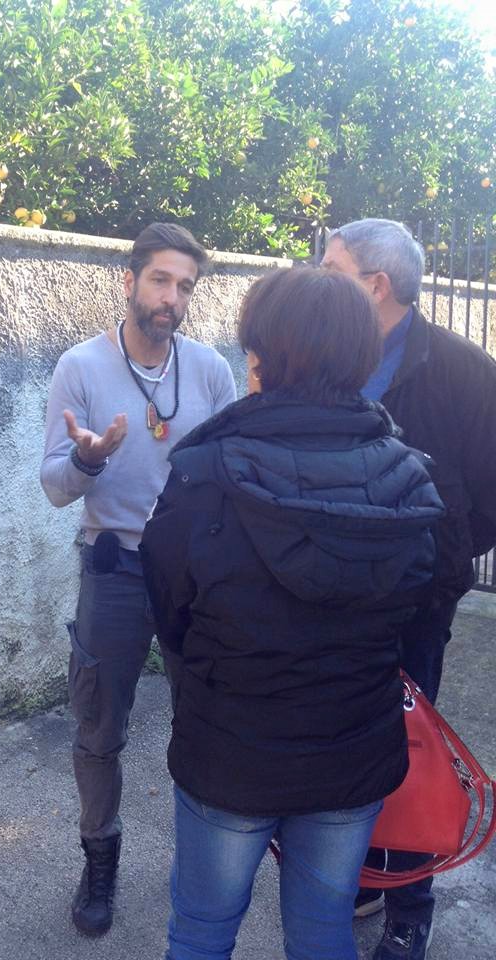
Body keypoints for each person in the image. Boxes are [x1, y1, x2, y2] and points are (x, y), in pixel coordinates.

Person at [140, 267, 444, 960]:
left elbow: (169, 611)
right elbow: (420, 611)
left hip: (232, 750)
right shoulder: (406, 478)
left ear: (259, 354)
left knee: (201, 933)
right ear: (363, 357)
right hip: (351, 750)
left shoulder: (207, 473)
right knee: (323, 929)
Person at [40, 223, 236, 936]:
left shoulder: (209, 371)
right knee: (98, 727)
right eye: (160, 280)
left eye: (185, 286)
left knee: (204, 724)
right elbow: (54, 487)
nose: (171, 297)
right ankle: (100, 858)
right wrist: (88, 459)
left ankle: (202, 863)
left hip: (192, 579)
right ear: (128, 281)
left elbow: (229, 473)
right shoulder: (80, 367)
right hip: (115, 568)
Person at [322, 218, 496, 960]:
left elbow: (489, 495)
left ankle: (408, 908)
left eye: (331, 269)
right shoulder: (326, 356)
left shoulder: (465, 370)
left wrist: (443, 567)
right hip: (331, 601)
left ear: (376, 285)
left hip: (417, 607)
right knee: (340, 743)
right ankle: (364, 872)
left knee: (408, 755)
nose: (318, 281)